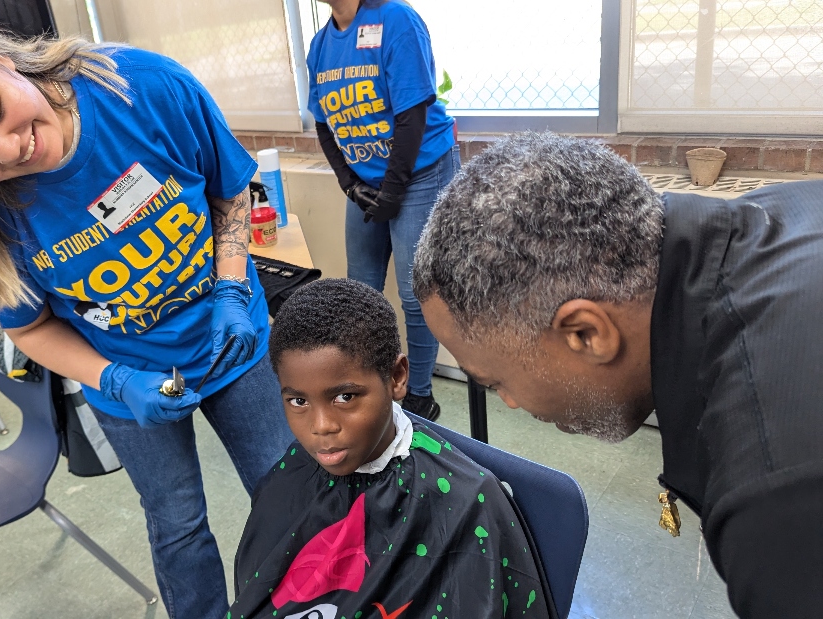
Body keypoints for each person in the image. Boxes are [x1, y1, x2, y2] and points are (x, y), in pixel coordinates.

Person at [0, 8, 294, 618]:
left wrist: (232, 292)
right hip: (123, 379)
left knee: (286, 493)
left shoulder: (141, 88)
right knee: (177, 523)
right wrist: (118, 380)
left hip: (233, 343)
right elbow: (33, 329)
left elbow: (227, 192)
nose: (8, 150)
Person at [413, 131, 823, 618]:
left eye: (496, 382)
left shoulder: (776, 505)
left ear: (586, 334)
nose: (511, 405)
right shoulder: (785, 207)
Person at [230, 278, 550, 619]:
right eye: (298, 400)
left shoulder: (468, 499)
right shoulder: (294, 469)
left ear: (396, 377)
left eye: (345, 397)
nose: (320, 426)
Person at [306, 0, 459, 422]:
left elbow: (412, 115)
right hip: (367, 181)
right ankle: (373, 384)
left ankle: (420, 398)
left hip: (422, 171)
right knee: (361, 290)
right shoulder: (320, 46)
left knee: (416, 294)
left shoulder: (396, 19)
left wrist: (392, 192)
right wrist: (349, 183)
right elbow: (322, 122)